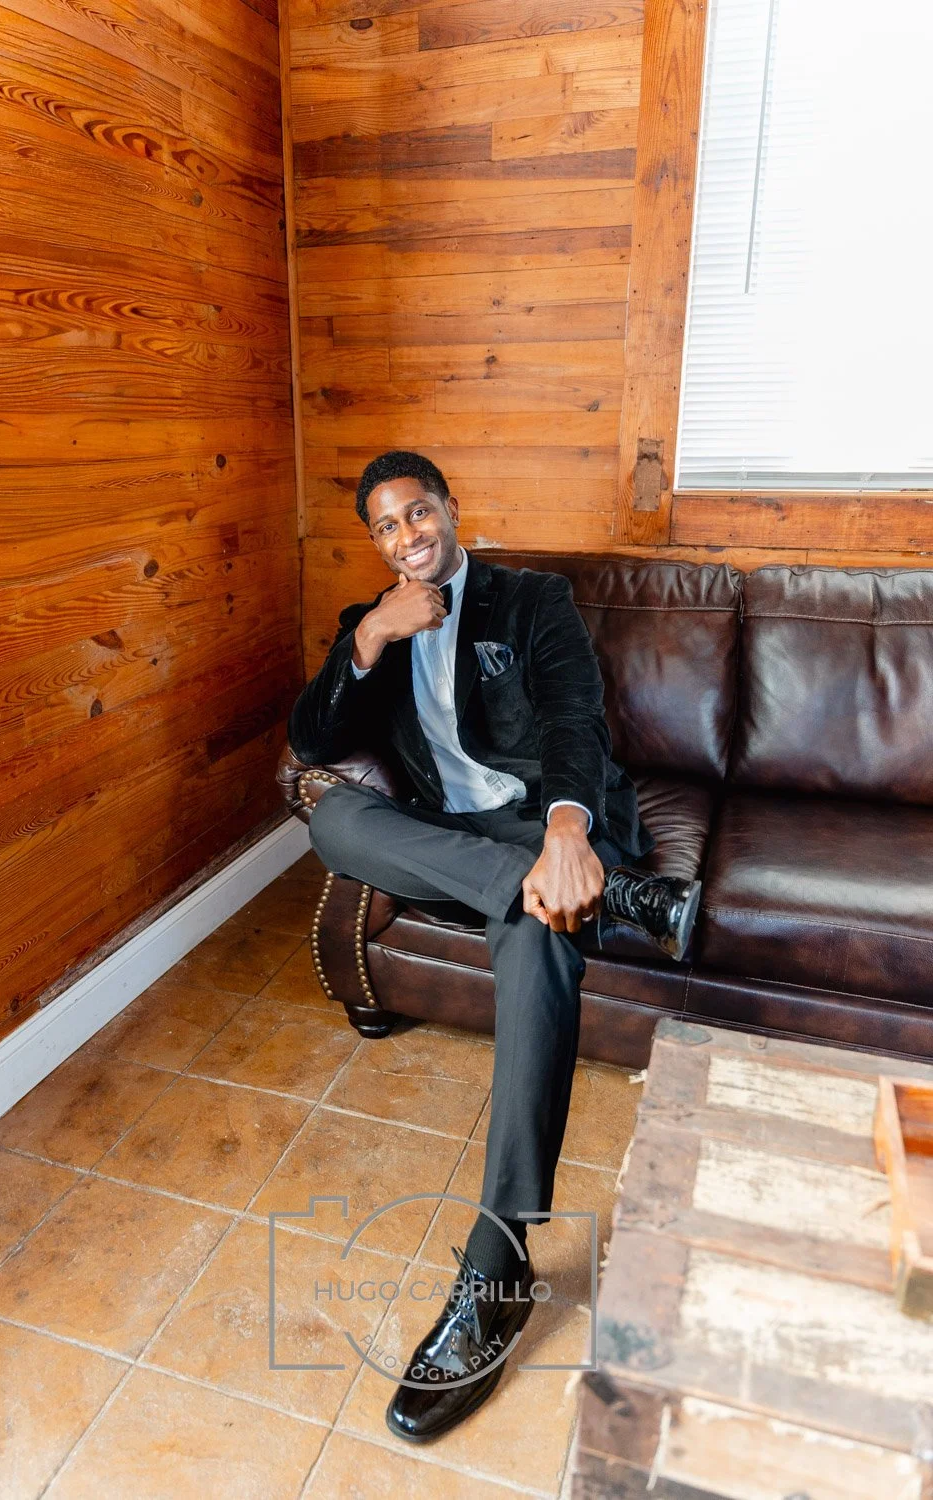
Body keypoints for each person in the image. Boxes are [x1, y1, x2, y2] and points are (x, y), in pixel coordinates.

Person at [287, 450, 698, 1445]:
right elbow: (312, 739)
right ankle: (618, 901)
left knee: (538, 923)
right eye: (386, 526)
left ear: (450, 510)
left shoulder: (529, 600)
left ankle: (498, 1262)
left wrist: (566, 832)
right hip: (456, 838)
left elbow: (573, 719)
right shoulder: (374, 622)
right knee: (331, 816)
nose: (408, 536)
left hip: (540, 823)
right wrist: (373, 636)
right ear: (376, 543)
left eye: (418, 512)